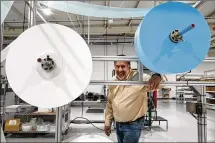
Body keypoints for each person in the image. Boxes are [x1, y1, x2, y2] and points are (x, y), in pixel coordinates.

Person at [104, 55, 163, 143]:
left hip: (133, 125)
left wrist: (157, 76)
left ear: (129, 66)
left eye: (123, 66)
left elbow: (162, 84)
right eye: (117, 66)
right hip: (118, 124)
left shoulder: (139, 78)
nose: (120, 70)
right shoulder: (113, 81)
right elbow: (110, 103)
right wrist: (107, 122)